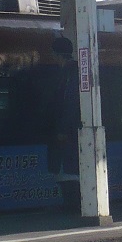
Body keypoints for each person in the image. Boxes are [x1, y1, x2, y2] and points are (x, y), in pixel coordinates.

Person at [47, 35, 83, 213]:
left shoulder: (69, 74)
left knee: (69, 170)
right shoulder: (70, 72)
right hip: (68, 131)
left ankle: (73, 205)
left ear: (56, 54)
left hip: (68, 133)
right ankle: (71, 204)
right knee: (66, 170)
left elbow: (70, 103)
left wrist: (62, 129)